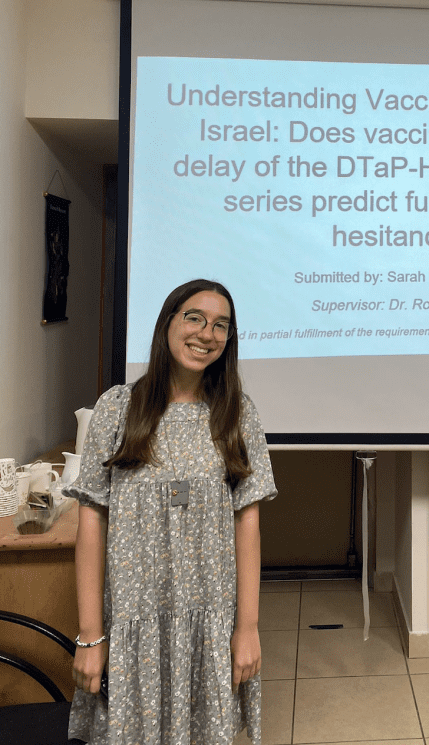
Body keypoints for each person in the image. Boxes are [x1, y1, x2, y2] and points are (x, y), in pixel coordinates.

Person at [63, 278, 277, 745]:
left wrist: (247, 628)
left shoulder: (237, 413)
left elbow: (248, 522)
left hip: (210, 619)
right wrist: (90, 635)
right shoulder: (117, 408)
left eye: (221, 325)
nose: (207, 334)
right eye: (194, 318)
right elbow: (91, 520)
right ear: (167, 323)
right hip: (134, 618)